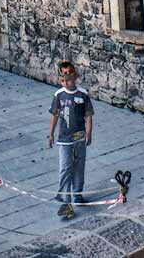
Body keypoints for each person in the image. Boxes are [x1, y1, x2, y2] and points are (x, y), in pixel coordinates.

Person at [48, 61, 93, 220]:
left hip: (79, 137)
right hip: (65, 138)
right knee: (66, 167)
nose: (69, 78)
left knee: (79, 167)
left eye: (71, 73)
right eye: (65, 75)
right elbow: (55, 114)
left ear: (75, 75)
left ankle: (77, 195)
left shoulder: (83, 94)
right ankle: (64, 199)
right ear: (61, 79)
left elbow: (88, 114)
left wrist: (89, 132)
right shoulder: (59, 95)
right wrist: (51, 133)